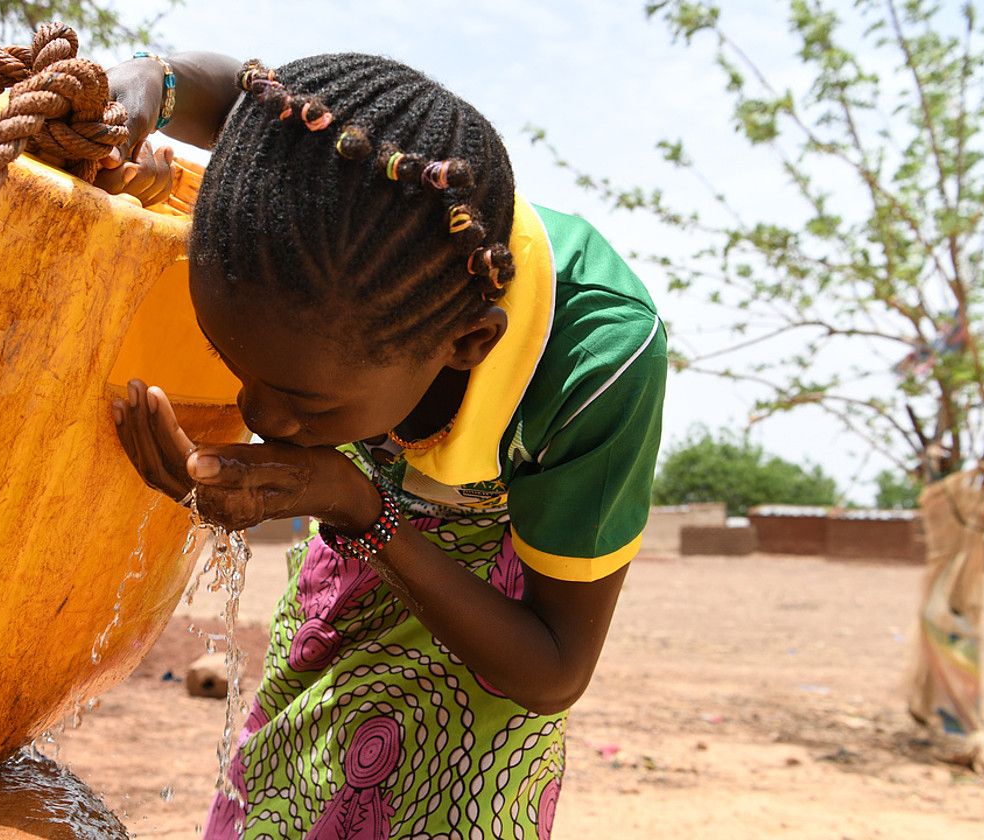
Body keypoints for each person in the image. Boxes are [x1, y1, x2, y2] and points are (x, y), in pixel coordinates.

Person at [106, 50, 666, 839]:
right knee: (281, 795)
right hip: (350, 567)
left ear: (468, 343)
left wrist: (357, 507)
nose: (257, 413)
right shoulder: (344, 253)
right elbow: (260, 110)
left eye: (301, 400)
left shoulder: (595, 364)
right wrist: (143, 86)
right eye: (235, 362)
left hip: (486, 672)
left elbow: (552, 666)